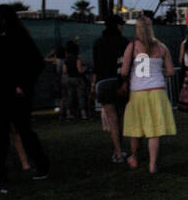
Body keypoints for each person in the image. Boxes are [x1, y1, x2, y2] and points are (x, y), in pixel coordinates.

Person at [0, 4, 50, 185]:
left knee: (24, 132)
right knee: (0, 135)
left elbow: (36, 62)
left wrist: (23, 84)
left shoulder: (19, 37)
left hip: (15, 94)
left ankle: (41, 164)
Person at [121, 15, 177, 172]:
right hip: (157, 92)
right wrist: (158, 73)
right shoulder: (161, 47)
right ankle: (153, 164)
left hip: (138, 93)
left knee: (135, 129)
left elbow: (124, 70)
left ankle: (134, 157)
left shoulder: (132, 47)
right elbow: (171, 71)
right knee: (155, 131)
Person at [92, 15, 129, 162]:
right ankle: (120, 149)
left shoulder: (98, 43)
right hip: (119, 81)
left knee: (112, 119)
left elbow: (96, 67)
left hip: (103, 82)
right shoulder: (124, 42)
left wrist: (93, 86)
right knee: (120, 118)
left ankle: (117, 151)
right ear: (118, 26)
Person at [63, 39, 89, 121]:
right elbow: (79, 70)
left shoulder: (66, 59)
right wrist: (85, 69)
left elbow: (64, 71)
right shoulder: (77, 58)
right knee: (80, 96)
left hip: (69, 79)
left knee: (69, 97)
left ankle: (68, 114)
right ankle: (83, 114)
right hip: (77, 79)